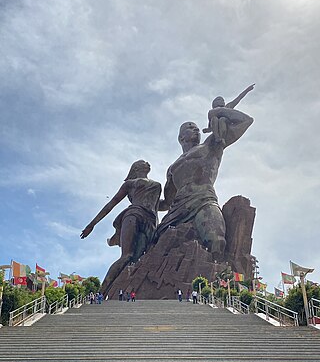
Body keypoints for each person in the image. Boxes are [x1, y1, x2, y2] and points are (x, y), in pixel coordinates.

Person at [156, 103, 254, 260]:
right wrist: (142, 202)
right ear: (181, 137)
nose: (195, 129)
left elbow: (246, 121)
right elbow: (167, 202)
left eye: (196, 128)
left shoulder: (211, 144)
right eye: (190, 127)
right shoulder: (172, 168)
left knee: (217, 241)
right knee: (155, 247)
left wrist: (218, 111)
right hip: (176, 210)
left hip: (203, 201)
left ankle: (217, 281)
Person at [81, 160, 161, 297]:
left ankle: (129, 291)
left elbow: (160, 205)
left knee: (139, 258)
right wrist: (92, 224)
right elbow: (111, 203)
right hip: (133, 215)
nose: (147, 162)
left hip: (150, 221)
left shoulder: (157, 185)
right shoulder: (130, 184)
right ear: (136, 168)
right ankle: (101, 292)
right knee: (126, 256)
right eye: (143, 162)